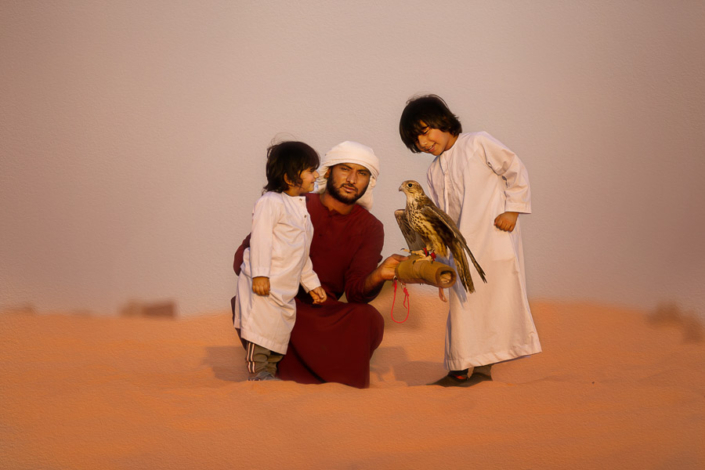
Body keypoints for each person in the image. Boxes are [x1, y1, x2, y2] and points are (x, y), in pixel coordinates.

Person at [233, 141, 405, 388]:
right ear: (328, 171)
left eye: (362, 173)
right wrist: (265, 277)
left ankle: (338, 385)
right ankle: (268, 371)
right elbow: (245, 255)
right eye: (345, 169)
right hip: (280, 299)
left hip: (326, 311)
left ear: (370, 181)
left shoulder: (371, 227)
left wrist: (379, 274)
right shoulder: (293, 203)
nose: (352, 179)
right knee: (259, 307)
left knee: (368, 318)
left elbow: (356, 293)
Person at [399, 95, 542, 387]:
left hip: (493, 238)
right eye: (417, 141)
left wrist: (513, 209)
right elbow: (441, 219)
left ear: (444, 121)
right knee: (464, 307)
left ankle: (474, 369)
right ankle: (462, 368)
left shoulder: (478, 143)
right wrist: (439, 261)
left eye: (426, 131)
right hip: (460, 249)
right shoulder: (433, 171)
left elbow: (515, 169)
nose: (424, 142)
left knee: (492, 304)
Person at [233, 141, 328, 381]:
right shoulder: (271, 202)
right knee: (259, 332)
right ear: (289, 177)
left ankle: (270, 375)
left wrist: (312, 284)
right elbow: (261, 239)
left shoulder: (302, 210)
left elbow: (301, 254)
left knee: (277, 334)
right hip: (263, 285)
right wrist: (261, 274)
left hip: (285, 287)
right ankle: (258, 374)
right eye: (310, 170)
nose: (316, 175)